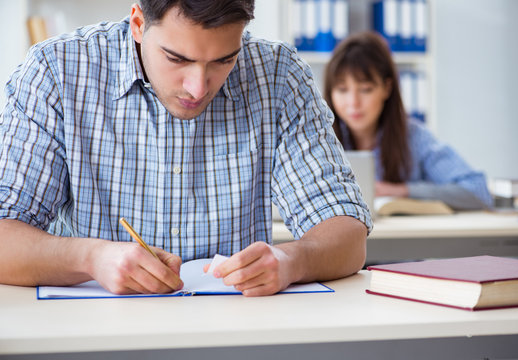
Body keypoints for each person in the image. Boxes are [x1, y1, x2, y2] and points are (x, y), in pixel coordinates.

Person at [0, 0, 371, 297]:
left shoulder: (277, 75)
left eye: (224, 60)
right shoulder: (55, 71)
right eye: (177, 59)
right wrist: (89, 257)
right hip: (93, 339)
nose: (197, 87)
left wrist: (292, 260)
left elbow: (346, 233)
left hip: (236, 339)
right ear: (138, 23)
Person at [323, 31, 493, 210]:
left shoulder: (415, 138)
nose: (353, 103)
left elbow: (478, 192)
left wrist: (400, 191)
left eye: (365, 89)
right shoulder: (320, 141)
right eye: (342, 90)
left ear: (387, 88)